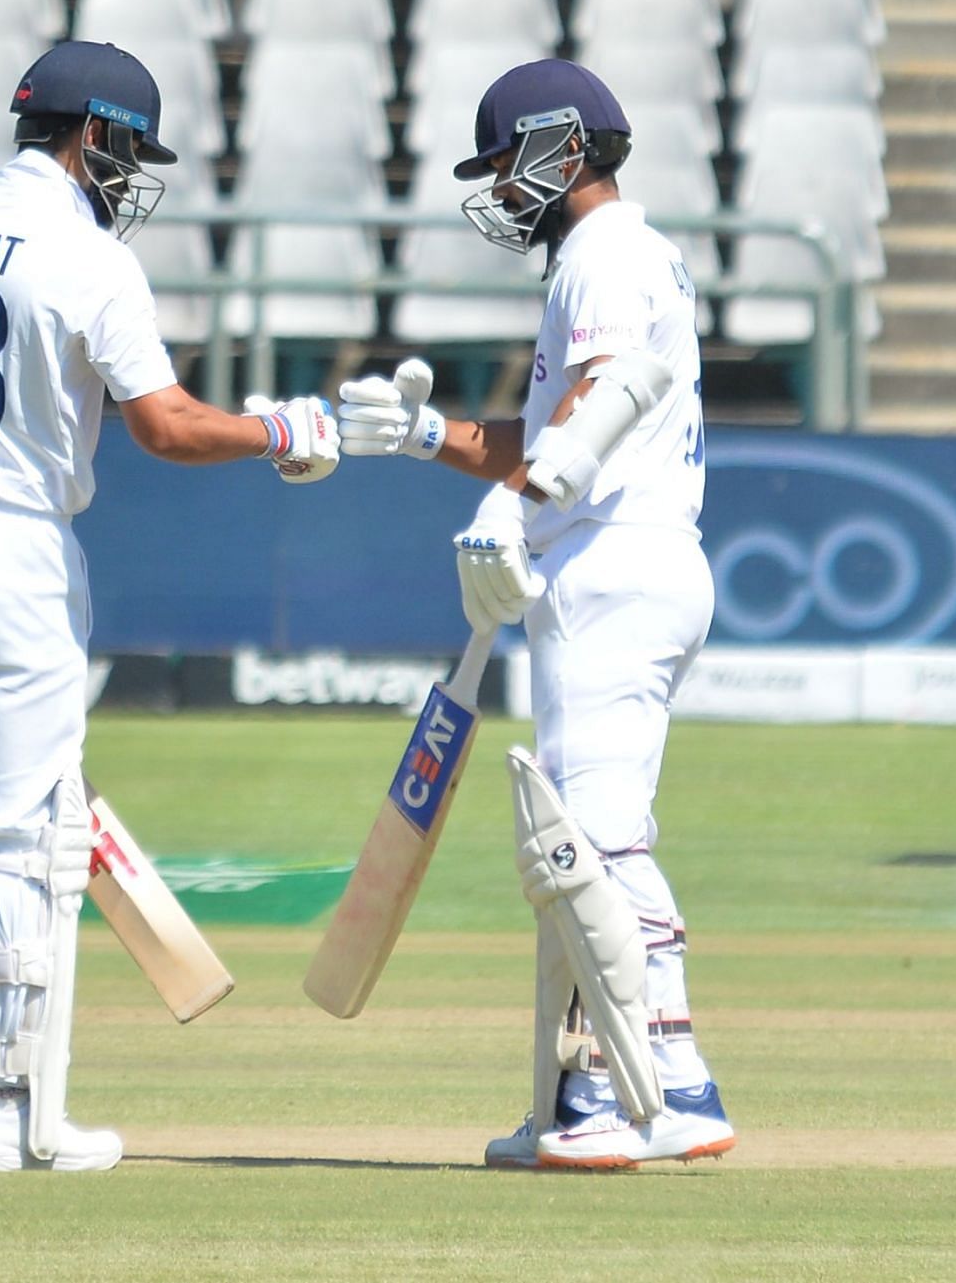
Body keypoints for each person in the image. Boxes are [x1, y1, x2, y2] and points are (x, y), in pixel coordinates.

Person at [0, 41, 338, 1172]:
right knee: (24, 832)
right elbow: (168, 426)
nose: (131, 176)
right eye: (128, 150)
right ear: (93, 136)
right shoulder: (91, 260)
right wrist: (283, 431)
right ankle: (3, 1109)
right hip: (15, 552)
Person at [335, 59, 733, 1170]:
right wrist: (428, 441)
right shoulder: (614, 258)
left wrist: (518, 507)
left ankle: (653, 1091)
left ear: (561, 147)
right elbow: (546, 432)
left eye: (508, 163)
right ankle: (595, 1090)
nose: (500, 189)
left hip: (613, 561)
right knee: (579, 842)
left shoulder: (605, 257)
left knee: (593, 845)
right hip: (616, 557)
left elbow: (594, 408)